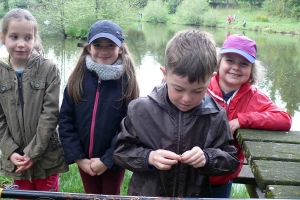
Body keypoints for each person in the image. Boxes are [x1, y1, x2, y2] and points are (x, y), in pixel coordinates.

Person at [113, 30, 240, 197]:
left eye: (198, 90)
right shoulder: (140, 110)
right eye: (178, 89)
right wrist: (149, 157)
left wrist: (207, 158)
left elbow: (230, 160)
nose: (187, 98)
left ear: (211, 78)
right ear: (164, 74)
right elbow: (121, 152)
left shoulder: (216, 115)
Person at [58, 20, 139, 195]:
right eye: (97, 45)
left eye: (110, 45)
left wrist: (108, 159)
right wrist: (79, 158)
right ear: (88, 48)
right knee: (90, 196)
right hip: (85, 160)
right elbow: (65, 121)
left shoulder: (128, 83)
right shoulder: (76, 80)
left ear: (121, 48)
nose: (103, 51)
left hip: (114, 159)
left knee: (111, 196)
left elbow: (130, 127)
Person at [207, 34, 292, 198]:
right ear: (219, 62)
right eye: (230, 60)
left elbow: (284, 119)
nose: (236, 67)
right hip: (190, 173)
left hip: (223, 177)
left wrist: (242, 120)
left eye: (244, 63)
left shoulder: (254, 96)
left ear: (252, 69)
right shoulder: (201, 87)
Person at [0, 8, 68, 193]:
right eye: (14, 37)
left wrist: (33, 153)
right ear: (2, 37)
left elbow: (50, 115)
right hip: (16, 162)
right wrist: (10, 151)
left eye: (27, 38)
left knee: (46, 197)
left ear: (35, 38)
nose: (21, 44)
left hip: (46, 159)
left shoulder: (49, 69)